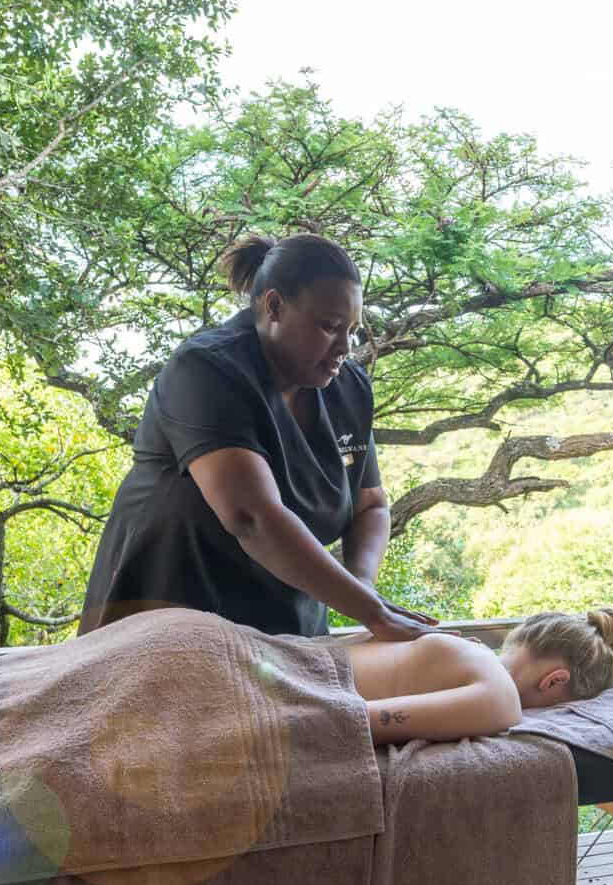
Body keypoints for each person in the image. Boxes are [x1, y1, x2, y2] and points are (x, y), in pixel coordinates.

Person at [79, 231, 439, 642]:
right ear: (274, 306)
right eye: (329, 326)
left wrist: (361, 587)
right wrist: (373, 613)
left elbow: (370, 506)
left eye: (353, 330)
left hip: (282, 633)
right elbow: (251, 517)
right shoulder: (206, 370)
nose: (345, 346)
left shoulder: (347, 388)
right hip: (164, 621)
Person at [342, 608, 613, 745]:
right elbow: (349, 721)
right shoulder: (501, 698)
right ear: (554, 681)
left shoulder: (467, 648)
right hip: (308, 689)